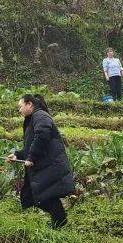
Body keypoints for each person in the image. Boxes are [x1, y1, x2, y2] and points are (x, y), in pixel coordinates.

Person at [7, 94, 75, 228]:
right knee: (32, 196)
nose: (19, 110)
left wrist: (32, 157)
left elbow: (42, 136)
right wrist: (17, 155)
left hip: (50, 166)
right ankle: (58, 224)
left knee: (44, 197)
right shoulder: (33, 119)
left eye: (20, 106)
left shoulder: (40, 116)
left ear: (29, 104)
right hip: (45, 166)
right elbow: (30, 146)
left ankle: (59, 224)